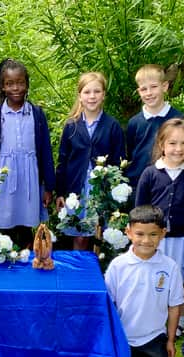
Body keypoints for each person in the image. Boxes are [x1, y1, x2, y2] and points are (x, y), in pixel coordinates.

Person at [135, 118, 184, 338]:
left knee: (181, 284)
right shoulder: (150, 174)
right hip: (156, 241)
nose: (178, 149)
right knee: (153, 281)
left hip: (183, 241)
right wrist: (140, 240)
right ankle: (152, 320)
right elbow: (139, 209)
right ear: (161, 144)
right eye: (173, 143)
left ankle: (179, 322)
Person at [104, 205, 184, 357]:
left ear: (163, 233)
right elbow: (109, 305)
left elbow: (174, 307)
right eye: (140, 234)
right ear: (129, 232)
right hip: (124, 336)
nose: (146, 240)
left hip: (154, 338)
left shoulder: (170, 267)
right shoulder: (118, 266)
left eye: (153, 235)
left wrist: (170, 340)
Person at [0, 58, 56, 248]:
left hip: (29, 177)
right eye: (10, 83)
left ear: (27, 84)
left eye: (20, 82)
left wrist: (48, 186)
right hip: (3, 178)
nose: (16, 88)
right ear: (2, 87)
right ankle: (2, 266)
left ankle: (26, 262)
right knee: (3, 224)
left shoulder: (36, 114)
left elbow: (45, 151)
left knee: (26, 225)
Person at [55, 71, 125, 250]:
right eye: (87, 92)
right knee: (80, 236)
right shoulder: (72, 126)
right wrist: (60, 193)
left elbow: (119, 161)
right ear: (80, 96)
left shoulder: (112, 126)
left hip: (101, 189)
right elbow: (63, 161)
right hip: (77, 188)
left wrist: (115, 191)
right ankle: (79, 273)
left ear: (103, 95)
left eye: (97, 92)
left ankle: (99, 271)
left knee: (101, 232)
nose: (92, 96)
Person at [125, 64, 184, 194]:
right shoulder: (134, 122)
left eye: (154, 87)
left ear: (165, 86)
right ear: (139, 91)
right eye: (144, 89)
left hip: (168, 184)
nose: (149, 93)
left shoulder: (177, 119)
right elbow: (129, 153)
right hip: (138, 183)